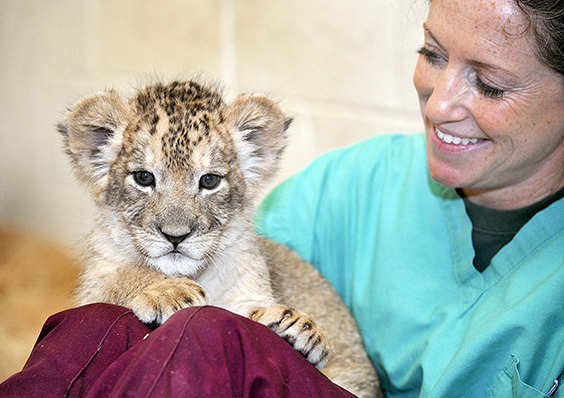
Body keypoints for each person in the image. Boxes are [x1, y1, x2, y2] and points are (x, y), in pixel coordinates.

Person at [1, 0, 562, 396]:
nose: (439, 105)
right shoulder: (350, 185)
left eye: (490, 84)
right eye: (433, 54)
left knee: (205, 339)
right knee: (92, 332)